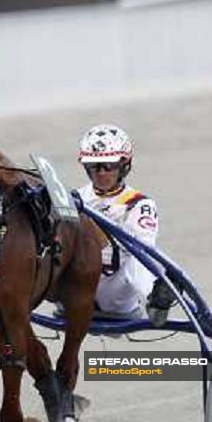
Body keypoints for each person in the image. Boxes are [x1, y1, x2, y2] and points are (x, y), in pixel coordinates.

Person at [76, 124, 176, 324]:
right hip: (75, 290)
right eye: (94, 166)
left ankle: (156, 301)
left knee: (138, 255)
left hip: (115, 295)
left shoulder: (139, 204)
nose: (101, 173)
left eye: (108, 166)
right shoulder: (76, 197)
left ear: (124, 165)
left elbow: (146, 252)